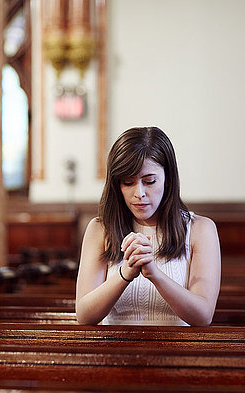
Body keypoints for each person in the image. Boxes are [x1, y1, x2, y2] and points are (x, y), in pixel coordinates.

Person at [75, 127, 221, 326]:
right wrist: (125, 273)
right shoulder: (100, 230)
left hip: (180, 351)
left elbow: (203, 316)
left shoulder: (200, 229)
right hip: (113, 350)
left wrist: (154, 273)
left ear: (168, 180)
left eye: (149, 181)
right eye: (128, 182)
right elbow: (84, 315)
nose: (139, 193)